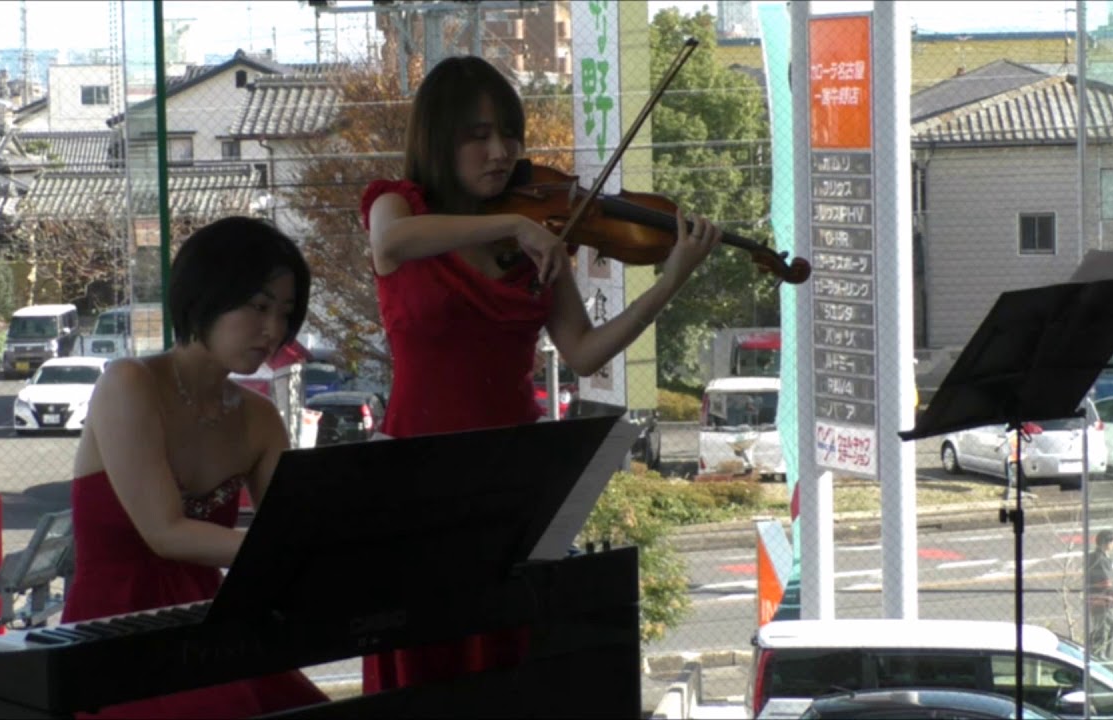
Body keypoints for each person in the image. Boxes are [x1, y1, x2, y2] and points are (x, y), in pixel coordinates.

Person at [359, 56, 719, 693]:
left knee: (507, 670)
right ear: (438, 139)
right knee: (421, 669)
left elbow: (582, 351)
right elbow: (389, 246)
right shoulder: (400, 207)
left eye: (509, 134)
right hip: (414, 479)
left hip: (514, 479)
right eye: (477, 135)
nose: (500, 151)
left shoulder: (542, 244)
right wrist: (515, 222)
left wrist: (669, 283)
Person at [62, 216, 329, 718]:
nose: (273, 330)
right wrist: (301, 551)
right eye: (259, 307)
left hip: (211, 637)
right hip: (114, 643)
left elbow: (289, 533)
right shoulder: (129, 383)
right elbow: (165, 533)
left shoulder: (260, 417)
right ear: (206, 292)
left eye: (285, 312)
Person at [1086, 529, 1113, 658]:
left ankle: (1101, 655)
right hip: (1101, 600)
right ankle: (1098, 657)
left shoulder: (1100, 557)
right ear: (1105, 543)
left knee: (1108, 626)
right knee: (1103, 629)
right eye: (1112, 542)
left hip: (1104, 599)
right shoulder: (1098, 559)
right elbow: (1105, 582)